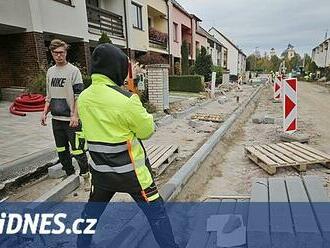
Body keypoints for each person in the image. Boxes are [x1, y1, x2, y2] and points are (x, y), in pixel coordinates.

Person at [76, 43, 179, 248]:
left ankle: (82, 244)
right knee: (157, 214)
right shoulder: (127, 100)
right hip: (132, 175)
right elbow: (146, 131)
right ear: (116, 68)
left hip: (101, 173)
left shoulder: (84, 97)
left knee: (91, 212)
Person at [41, 39, 89, 181]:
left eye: (61, 52)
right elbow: (49, 95)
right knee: (62, 150)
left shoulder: (74, 71)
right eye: (55, 53)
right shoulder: (50, 72)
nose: (59, 56)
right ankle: (69, 174)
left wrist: (75, 115)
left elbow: (79, 96)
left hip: (72, 120)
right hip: (56, 119)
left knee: (78, 150)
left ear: (66, 52)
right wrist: (45, 112)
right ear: (51, 53)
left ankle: (85, 173)